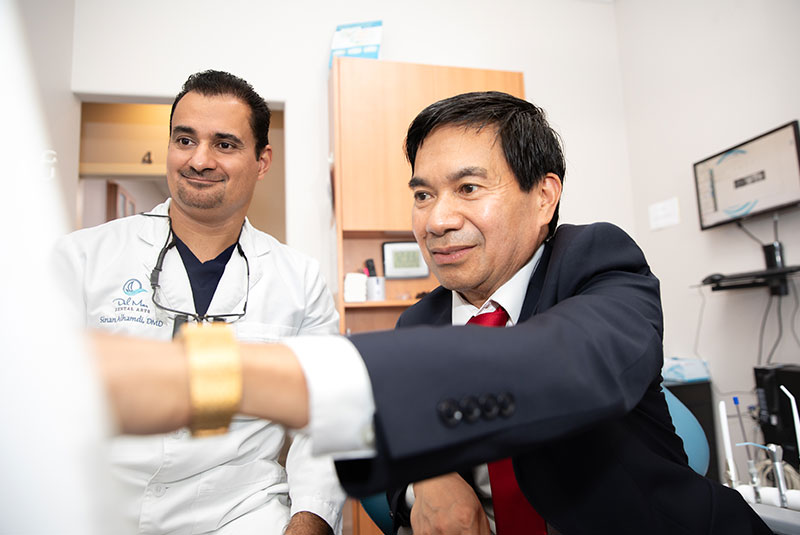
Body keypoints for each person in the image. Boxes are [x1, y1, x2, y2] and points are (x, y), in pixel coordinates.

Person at [89, 92, 772, 535]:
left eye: (468, 188)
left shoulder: (599, 264)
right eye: (421, 194)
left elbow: (560, 366)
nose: (438, 220)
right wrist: (426, 475)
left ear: (543, 195)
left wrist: (223, 376)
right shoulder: (421, 321)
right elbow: (370, 437)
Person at [54, 70, 345, 535]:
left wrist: (308, 522)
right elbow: (37, 400)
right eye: (184, 139)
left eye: (225, 144)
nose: (199, 160)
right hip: (100, 509)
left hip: (244, 514)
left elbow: (325, 419)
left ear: (262, 159)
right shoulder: (82, 258)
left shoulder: (299, 279)